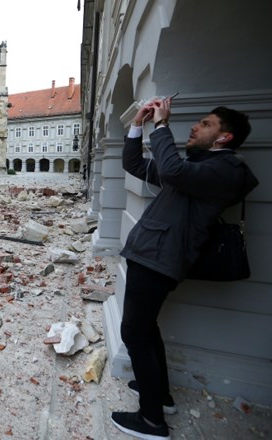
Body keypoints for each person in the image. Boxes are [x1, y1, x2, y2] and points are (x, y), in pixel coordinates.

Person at [111, 98, 259, 440]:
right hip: (153, 253)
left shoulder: (224, 170)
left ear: (224, 138)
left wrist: (162, 126)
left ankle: (151, 422)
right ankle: (160, 396)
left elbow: (173, 170)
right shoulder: (198, 167)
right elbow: (135, 164)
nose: (195, 126)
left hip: (159, 257)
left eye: (206, 124)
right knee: (146, 328)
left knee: (134, 333)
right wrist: (138, 124)